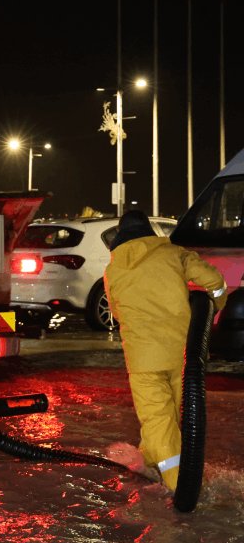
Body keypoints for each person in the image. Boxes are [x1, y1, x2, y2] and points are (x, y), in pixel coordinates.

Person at [104, 210, 228, 491]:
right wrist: (214, 309)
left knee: (158, 419)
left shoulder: (114, 268)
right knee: (169, 416)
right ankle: (148, 463)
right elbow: (214, 281)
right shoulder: (174, 254)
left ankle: (178, 486)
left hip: (144, 359)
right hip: (182, 353)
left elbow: (117, 312)